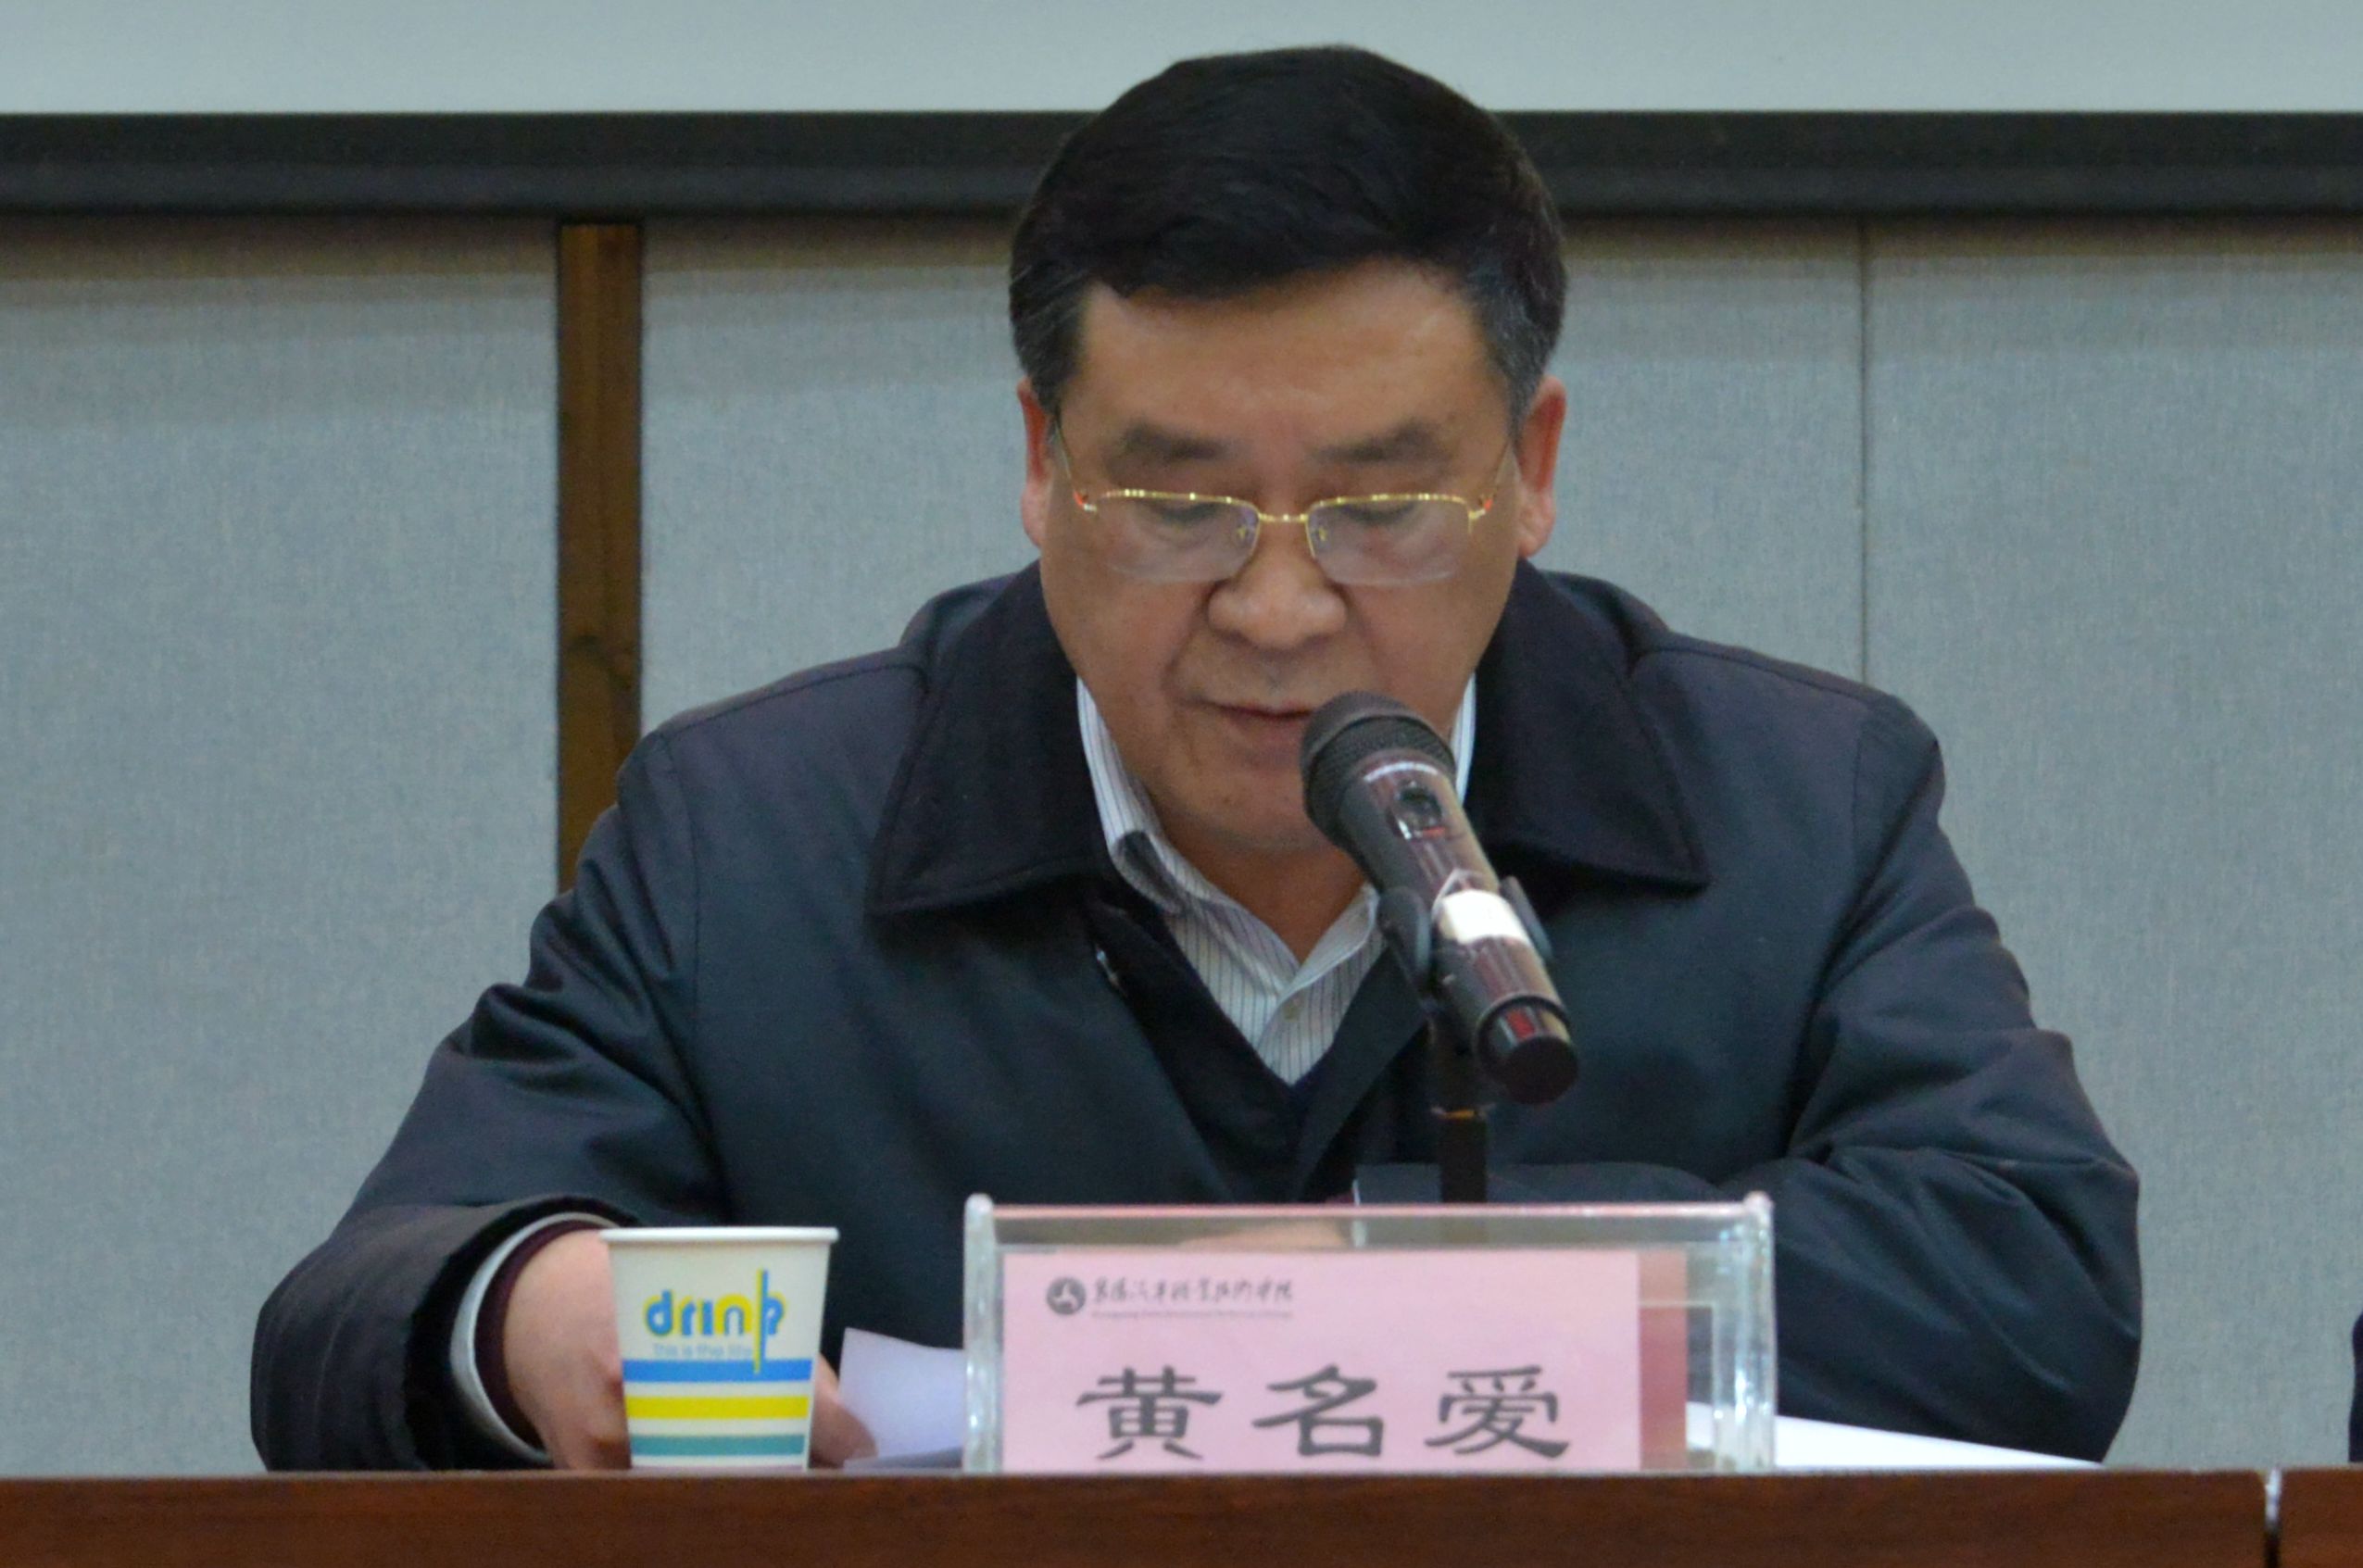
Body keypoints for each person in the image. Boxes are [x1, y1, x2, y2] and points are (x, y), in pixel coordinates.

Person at [252, 44, 2140, 1470]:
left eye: (1381, 505)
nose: (1279, 605)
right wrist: (522, 1316)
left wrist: (1348, 1285)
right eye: (1176, 503)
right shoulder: (756, 836)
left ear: (1532, 471)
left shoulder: (1794, 806)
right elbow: (357, 1309)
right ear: (1039, 462)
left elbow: (2032, 1286)